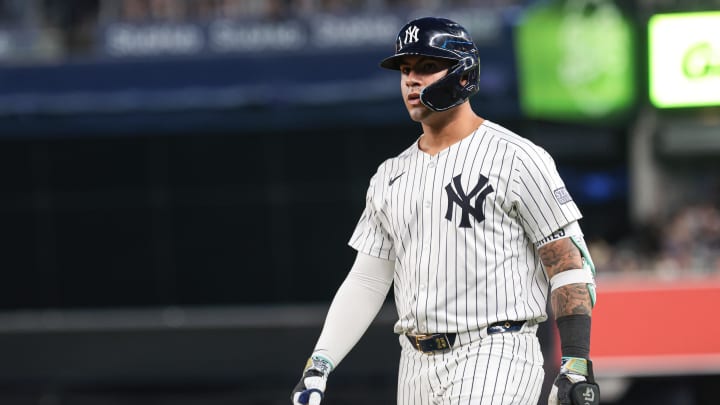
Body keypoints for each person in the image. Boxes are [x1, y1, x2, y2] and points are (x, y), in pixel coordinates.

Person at [291, 17, 600, 405]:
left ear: (463, 73)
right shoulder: (390, 176)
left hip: (495, 351)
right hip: (414, 363)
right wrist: (319, 364)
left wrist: (574, 361)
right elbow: (368, 281)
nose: (410, 80)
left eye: (425, 67)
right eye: (405, 70)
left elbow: (568, 263)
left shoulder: (517, 158)